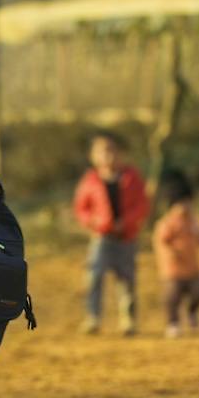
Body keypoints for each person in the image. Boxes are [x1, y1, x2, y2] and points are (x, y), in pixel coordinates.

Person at [72, 131, 149, 336]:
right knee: (94, 277)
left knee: (127, 280)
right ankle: (93, 317)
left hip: (126, 238)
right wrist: (96, 222)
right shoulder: (90, 181)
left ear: (120, 153)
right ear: (93, 156)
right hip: (101, 238)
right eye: (102, 151)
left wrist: (128, 221)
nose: (108, 156)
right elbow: (81, 209)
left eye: (112, 150)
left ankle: (128, 320)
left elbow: (142, 204)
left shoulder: (132, 177)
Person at [152, 168, 199, 338]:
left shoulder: (194, 221)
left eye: (188, 202)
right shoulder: (167, 223)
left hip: (192, 269)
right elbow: (161, 241)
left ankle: (192, 313)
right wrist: (171, 254)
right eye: (182, 203)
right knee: (172, 298)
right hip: (173, 271)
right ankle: (173, 323)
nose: (186, 206)